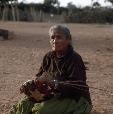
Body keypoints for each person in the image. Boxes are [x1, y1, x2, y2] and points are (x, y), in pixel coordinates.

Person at [10, 25, 92, 114]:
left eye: (59, 37)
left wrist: (54, 83)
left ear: (68, 39)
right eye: (52, 38)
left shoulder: (74, 58)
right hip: (52, 95)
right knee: (23, 105)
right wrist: (32, 86)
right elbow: (40, 77)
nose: (55, 41)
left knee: (42, 110)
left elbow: (78, 87)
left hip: (74, 98)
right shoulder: (48, 57)